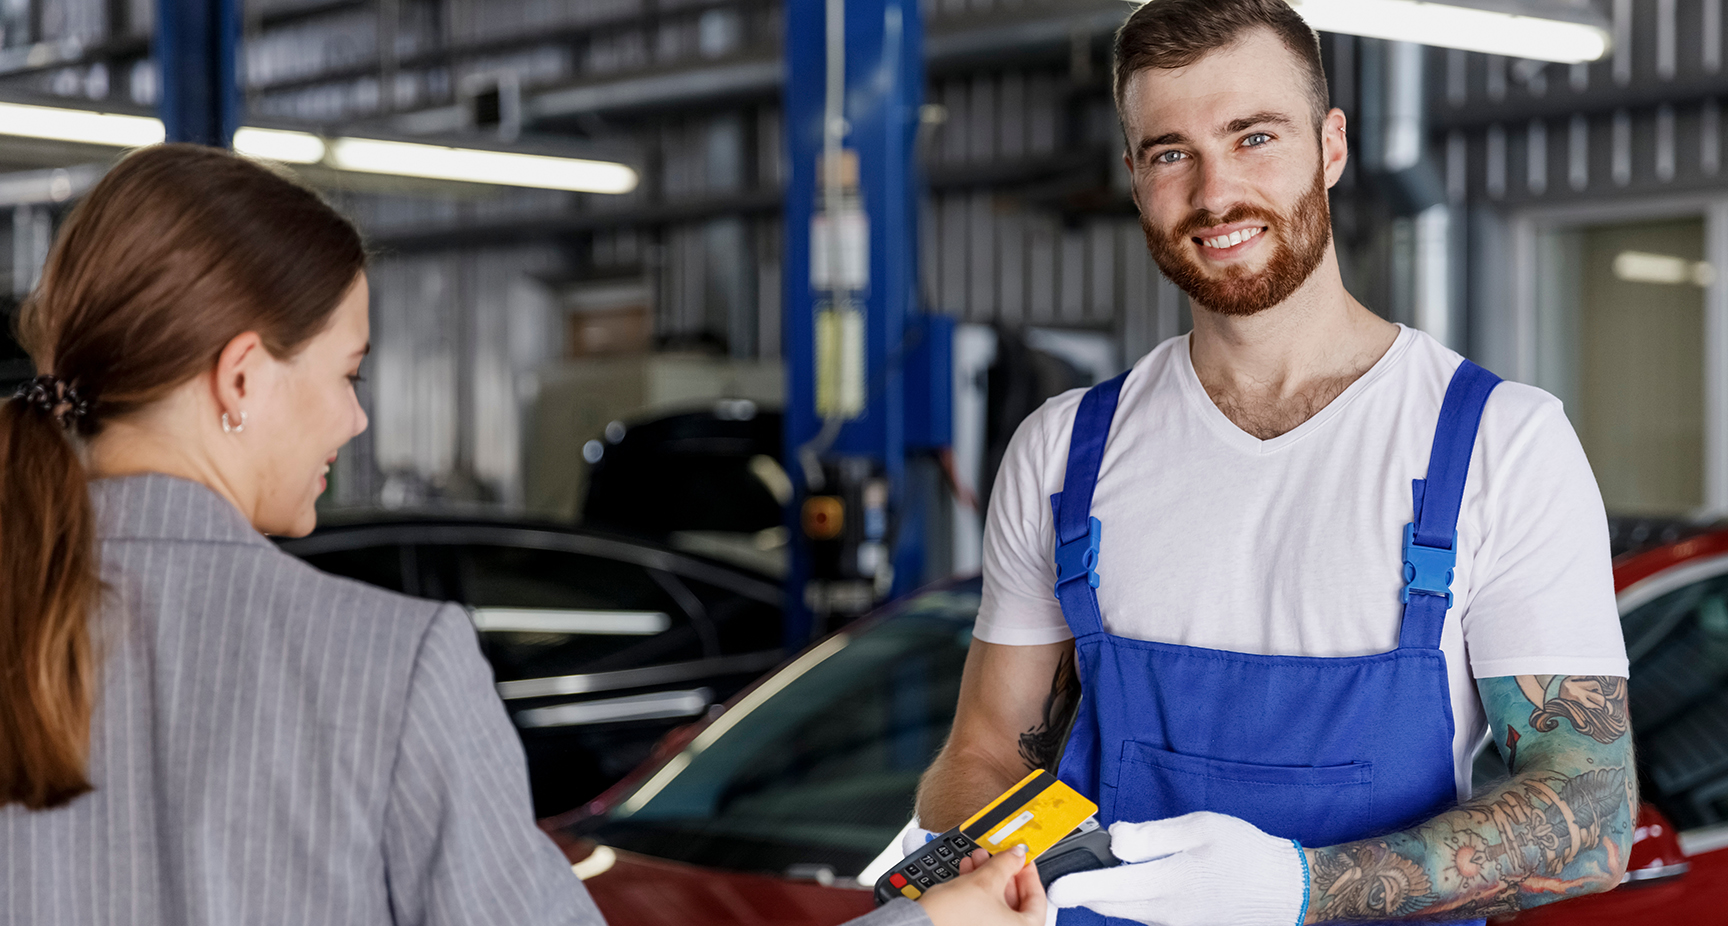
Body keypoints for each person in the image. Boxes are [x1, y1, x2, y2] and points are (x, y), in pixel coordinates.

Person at [0, 143, 1043, 926]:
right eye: (347, 371)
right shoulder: (389, 667)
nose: (356, 419)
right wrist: (929, 914)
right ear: (239, 377)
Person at [913, 2, 1636, 925]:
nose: (1216, 194)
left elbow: (1594, 811)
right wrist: (1000, 862)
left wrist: (1299, 887)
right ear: (1135, 178)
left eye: (1254, 137)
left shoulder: (1502, 443)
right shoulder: (1063, 454)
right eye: (1172, 152)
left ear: (1331, 147)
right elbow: (983, 751)